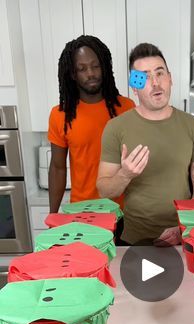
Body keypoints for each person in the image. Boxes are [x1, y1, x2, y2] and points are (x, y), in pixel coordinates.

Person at [97, 42, 194, 246]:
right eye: (145, 77)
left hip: (181, 239)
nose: (155, 82)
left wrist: (183, 229)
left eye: (160, 73)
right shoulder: (115, 128)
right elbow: (105, 191)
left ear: (170, 78)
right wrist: (125, 174)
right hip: (134, 241)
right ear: (135, 86)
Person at [48, 35, 135, 213]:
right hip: (82, 211)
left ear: (104, 67)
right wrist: (53, 214)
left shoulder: (127, 108)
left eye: (95, 66)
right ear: (73, 74)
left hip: (124, 211)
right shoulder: (60, 115)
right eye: (82, 68)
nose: (91, 73)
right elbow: (57, 168)